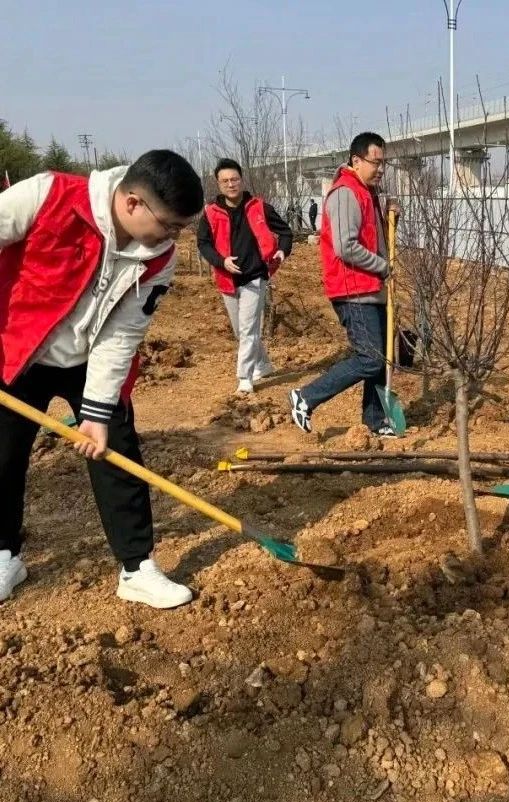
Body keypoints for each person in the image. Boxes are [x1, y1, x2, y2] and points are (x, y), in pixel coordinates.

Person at [0, 150, 204, 608]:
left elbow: (123, 331)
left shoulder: (159, 256)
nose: (174, 237)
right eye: (169, 225)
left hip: (91, 358)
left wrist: (96, 412)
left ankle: (137, 567)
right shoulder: (48, 195)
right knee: (3, 456)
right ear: (133, 204)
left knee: (116, 450)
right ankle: (4, 554)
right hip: (19, 349)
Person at [289, 132, 396, 437]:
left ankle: (375, 421)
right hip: (353, 290)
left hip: (371, 288)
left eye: (383, 163)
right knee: (370, 358)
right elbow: (345, 246)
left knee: (381, 357)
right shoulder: (345, 193)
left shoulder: (366, 192)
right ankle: (306, 397)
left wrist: (391, 218)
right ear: (356, 160)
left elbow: (374, 238)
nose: (380, 169)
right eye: (375, 162)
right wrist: (384, 267)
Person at [197, 159, 292, 394]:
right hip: (226, 279)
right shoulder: (210, 213)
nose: (231, 184)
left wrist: (282, 252)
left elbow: (285, 232)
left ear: (241, 179)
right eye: (225, 181)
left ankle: (244, 379)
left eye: (234, 179)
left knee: (248, 328)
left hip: (255, 276)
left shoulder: (259, 207)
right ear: (218, 184)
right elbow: (203, 244)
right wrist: (222, 262)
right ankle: (264, 364)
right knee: (242, 331)